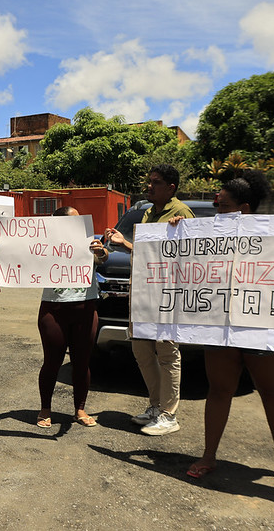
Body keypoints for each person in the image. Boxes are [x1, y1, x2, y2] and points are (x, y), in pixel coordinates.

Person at [171, 170, 274, 489]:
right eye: (215, 205)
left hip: (263, 325)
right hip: (220, 324)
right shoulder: (208, 235)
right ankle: (209, 456)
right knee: (219, 389)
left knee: (271, 390)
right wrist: (175, 235)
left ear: (245, 208)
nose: (216, 210)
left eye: (222, 206)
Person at [104, 164, 194, 436]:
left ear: (171, 187)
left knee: (167, 352)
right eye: (149, 181)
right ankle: (156, 406)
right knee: (141, 350)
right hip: (142, 291)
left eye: (155, 182)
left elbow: (188, 256)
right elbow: (146, 253)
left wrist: (182, 231)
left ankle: (169, 414)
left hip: (166, 293)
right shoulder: (147, 213)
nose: (149, 186)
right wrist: (123, 242)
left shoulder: (181, 214)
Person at [28, 206, 108, 428]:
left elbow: (102, 257)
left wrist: (100, 251)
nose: (79, 223)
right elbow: (21, 257)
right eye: (73, 220)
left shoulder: (89, 241)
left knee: (81, 362)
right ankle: (45, 409)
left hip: (85, 307)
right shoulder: (42, 243)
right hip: (53, 309)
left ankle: (79, 409)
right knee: (52, 362)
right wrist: (2, 254)